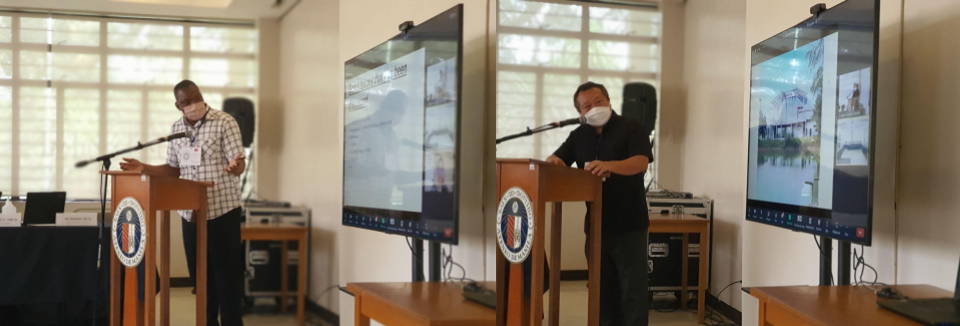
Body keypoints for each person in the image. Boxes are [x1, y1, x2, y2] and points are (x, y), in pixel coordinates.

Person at [119, 80, 246, 326]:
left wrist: (235, 167)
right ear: (178, 105)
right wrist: (143, 167)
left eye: (196, 97)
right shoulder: (177, 128)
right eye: (186, 101)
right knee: (201, 281)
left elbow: (238, 161)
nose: (193, 104)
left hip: (222, 211)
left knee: (227, 279)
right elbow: (173, 170)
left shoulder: (224, 122)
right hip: (190, 215)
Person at [546, 82, 654, 326]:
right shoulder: (577, 136)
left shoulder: (631, 127)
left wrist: (609, 165)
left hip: (629, 225)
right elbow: (559, 160)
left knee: (632, 291)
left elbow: (641, 162)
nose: (594, 108)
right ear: (580, 114)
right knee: (601, 291)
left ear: (608, 101)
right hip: (596, 226)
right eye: (587, 106)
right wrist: (553, 161)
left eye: (599, 101)